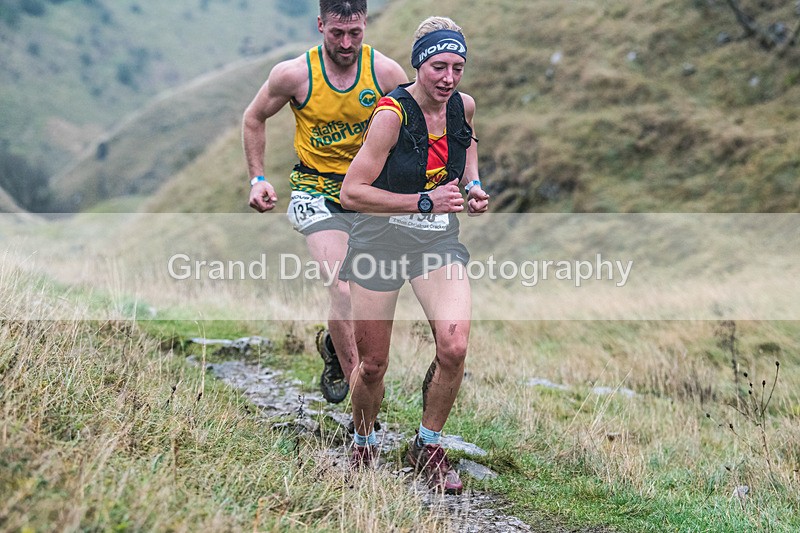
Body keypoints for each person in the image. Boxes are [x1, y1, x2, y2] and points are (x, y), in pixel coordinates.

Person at [338, 16, 490, 494]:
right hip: (378, 241)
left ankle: (427, 446)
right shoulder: (391, 115)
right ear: (418, 65)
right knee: (374, 365)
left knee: (455, 344)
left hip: (435, 241)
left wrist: (474, 188)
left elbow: (467, 158)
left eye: (457, 67)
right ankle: (362, 442)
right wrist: (423, 201)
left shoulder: (463, 107)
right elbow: (351, 193)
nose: (448, 78)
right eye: (438, 67)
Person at [242, 0, 407, 405]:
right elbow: (253, 117)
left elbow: (413, 129)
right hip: (316, 190)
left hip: (367, 193)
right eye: (337, 32)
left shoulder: (386, 73)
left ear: (366, 24)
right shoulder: (294, 74)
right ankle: (358, 399)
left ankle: (335, 346)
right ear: (320, 24)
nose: (347, 43)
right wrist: (258, 178)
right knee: (343, 288)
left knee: (367, 294)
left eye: (355, 32)